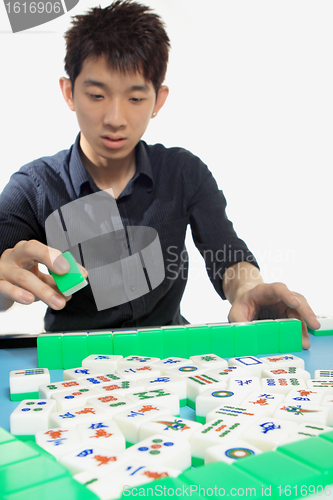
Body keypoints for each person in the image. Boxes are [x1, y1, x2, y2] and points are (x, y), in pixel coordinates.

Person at [0, 0, 319, 347]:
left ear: (158, 101)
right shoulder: (32, 188)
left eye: (135, 98)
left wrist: (249, 289)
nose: (115, 118)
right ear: (69, 92)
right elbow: (4, 280)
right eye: (96, 95)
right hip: (71, 363)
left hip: (170, 357)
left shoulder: (184, 173)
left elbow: (227, 256)